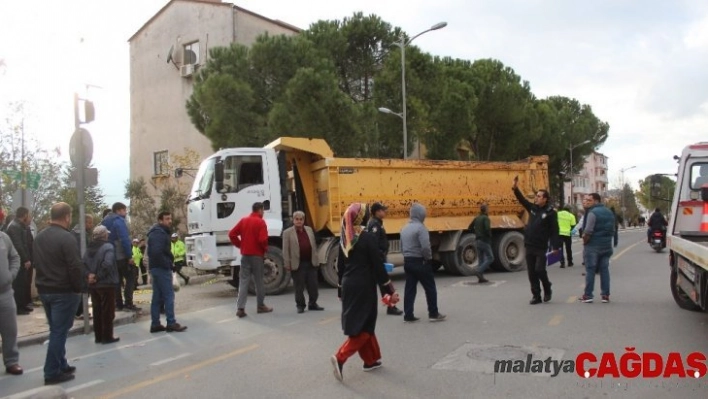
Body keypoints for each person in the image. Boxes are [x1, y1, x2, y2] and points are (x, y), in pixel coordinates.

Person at [331, 203, 399, 382]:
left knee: (362, 322)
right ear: (362, 217)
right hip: (363, 286)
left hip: (348, 285)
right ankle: (340, 357)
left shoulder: (345, 238)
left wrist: (340, 289)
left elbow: (340, 267)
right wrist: (389, 290)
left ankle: (371, 360)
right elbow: (378, 266)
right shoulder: (367, 238)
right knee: (365, 325)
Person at [33, 202, 83, 385]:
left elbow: (36, 262)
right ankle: (51, 372)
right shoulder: (67, 238)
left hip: (45, 289)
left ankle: (61, 363)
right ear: (67, 217)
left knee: (56, 329)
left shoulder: (39, 237)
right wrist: (79, 288)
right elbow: (74, 266)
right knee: (59, 332)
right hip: (63, 290)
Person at [512, 176, 561, 305]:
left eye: (539, 196)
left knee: (540, 269)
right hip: (529, 245)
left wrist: (556, 246)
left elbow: (555, 231)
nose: (537, 198)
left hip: (541, 246)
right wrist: (515, 188)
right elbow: (522, 200)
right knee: (532, 273)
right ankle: (536, 296)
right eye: (536, 196)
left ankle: (547, 288)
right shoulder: (533, 208)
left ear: (545, 199)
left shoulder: (550, 213)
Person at [400, 203, 446, 322]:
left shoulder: (404, 229)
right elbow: (426, 247)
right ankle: (433, 313)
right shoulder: (421, 228)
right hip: (420, 262)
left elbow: (401, 247)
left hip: (408, 262)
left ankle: (408, 315)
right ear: (421, 215)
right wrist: (428, 259)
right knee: (430, 287)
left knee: (409, 289)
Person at [229, 202, 273, 318]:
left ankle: (241, 308)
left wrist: (240, 245)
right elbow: (263, 240)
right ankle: (261, 305)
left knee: (243, 281)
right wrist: (265, 250)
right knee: (259, 281)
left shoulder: (244, 220)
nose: (263, 213)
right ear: (260, 210)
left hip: (245, 256)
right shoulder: (260, 222)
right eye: (263, 211)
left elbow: (232, 234)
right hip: (257, 256)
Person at [147, 211, 187, 333]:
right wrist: (167, 263)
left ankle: (155, 324)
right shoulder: (159, 233)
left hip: (155, 268)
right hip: (161, 268)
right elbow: (157, 252)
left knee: (157, 297)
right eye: (166, 219)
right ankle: (171, 322)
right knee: (169, 295)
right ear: (160, 220)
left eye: (170, 218)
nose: (169, 221)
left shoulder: (156, 232)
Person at [83, 225, 120, 344]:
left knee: (97, 310)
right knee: (108, 312)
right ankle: (107, 336)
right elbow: (108, 264)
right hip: (106, 283)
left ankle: (98, 336)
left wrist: (89, 276)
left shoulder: (88, 249)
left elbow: (83, 264)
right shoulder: (108, 247)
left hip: (93, 285)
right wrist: (98, 276)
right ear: (104, 235)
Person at [366, 202, 403, 315]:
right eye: (383, 210)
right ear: (377, 212)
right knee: (385, 284)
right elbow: (374, 243)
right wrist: (379, 257)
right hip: (378, 259)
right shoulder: (375, 225)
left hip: (379, 258)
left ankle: (389, 306)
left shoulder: (377, 223)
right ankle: (390, 306)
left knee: (382, 285)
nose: (385, 212)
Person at [282, 211, 323, 313]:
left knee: (313, 286)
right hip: (298, 264)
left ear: (304, 220)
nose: (299, 221)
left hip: (310, 263)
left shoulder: (309, 230)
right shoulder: (287, 233)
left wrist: (316, 259)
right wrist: (287, 264)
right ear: (293, 220)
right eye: (297, 219)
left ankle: (313, 304)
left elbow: (313, 245)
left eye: (301, 219)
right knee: (299, 287)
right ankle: (300, 305)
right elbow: (285, 250)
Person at [102, 203, 139, 312]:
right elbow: (124, 239)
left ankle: (118, 304)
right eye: (124, 210)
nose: (125, 212)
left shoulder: (104, 221)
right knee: (131, 277)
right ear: (118, 211)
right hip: (121, 256)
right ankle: (128, 303)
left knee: (116, 280)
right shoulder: (119, 221)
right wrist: (129, 256)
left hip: (109, 256)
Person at [579, 193, 615, 303]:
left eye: (589, 200)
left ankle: (588, 295)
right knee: (604, 270)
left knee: (590, 270)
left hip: (593, 246)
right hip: (607, 245)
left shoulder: (592, 213)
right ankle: (605, 295)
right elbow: (613, 229)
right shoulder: (609, 212)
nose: (586, 202)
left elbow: (588, 231)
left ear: (596, 201)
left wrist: (585, 241)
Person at [1, 229, 23, 375]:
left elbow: (15, 257)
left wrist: (11, 275)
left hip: (5, 293)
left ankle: (11, 361)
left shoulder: (3, 237)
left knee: (10, 330)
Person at [6, 207, 34, 315]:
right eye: (28, 215)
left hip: (21, 260)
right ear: (25, 215)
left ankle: (23, 305)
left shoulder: (20, 226)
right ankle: (18, 307)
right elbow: (18, 245)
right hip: (17, 261)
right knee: (18, 285)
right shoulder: (14, 226)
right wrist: (26, 259)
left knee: (23, 284)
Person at [72, 214, 94, 320]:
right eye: (89, 222)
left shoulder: (73, 233)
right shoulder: (81, 235)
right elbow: (84, 252)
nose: (91, 225)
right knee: (84, 289)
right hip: (82, 266)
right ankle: (80, 311)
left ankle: (78, 311)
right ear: (84, 223)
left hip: (75, 265)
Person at [468, 204, 493, 283]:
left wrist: (476, 233)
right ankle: (479, 271)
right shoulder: (486, 218)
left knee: (481, 259)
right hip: (484, 240)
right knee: (490, 258)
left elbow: (470, 227)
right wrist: (490, 236)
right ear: (485, 210)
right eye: (488, 209)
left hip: (477, 240)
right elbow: (487, 229)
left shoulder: (477, 218)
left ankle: (480, 278)